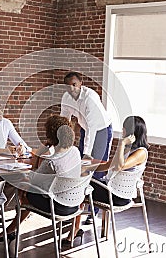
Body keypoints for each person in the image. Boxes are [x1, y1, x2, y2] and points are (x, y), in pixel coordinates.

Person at [0, 115, 82, 242]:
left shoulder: (50, 162)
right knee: (28, 189)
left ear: (49, 135)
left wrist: (39, 155)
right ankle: (75, 229)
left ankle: (11, 229)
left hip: (58, 206)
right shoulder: (75, 152)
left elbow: (32, 179)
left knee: (24, 190)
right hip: (75, 204)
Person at [67, 116, 148, 244]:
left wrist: (121, 143)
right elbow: (110, 164)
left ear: (131, 132)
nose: (122, 131)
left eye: (124, 129)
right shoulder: (128, 149)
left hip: (117, 196)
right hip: (111, 190)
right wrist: (88, 166)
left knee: (79, 188)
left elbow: (119, 166)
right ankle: (74, 224)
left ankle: (74, 227)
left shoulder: (141, 152)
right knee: (83, 182)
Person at [60, 71, 113, 223]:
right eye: (68, 86)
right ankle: (78, 207)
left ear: (80, 83)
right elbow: (65, 122)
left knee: (96, 168)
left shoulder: (90, 98)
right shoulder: (66, 97)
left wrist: (87, 154)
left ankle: (94, 211)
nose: (72, 89)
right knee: (81, 169)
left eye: (74, 85)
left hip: (101, 129)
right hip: (85, 128)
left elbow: (93, 129)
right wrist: (62, 144)